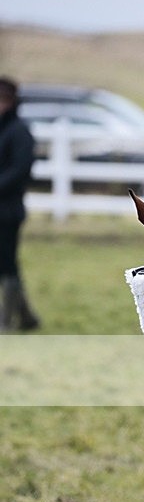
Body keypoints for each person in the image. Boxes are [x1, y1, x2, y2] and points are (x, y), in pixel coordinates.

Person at [0, 76, 39, 331]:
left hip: (8, 211)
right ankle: (26, 318)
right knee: (6, 264)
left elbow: (20, 170)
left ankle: (6, 321)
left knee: (7, 263)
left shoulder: (19, 131)